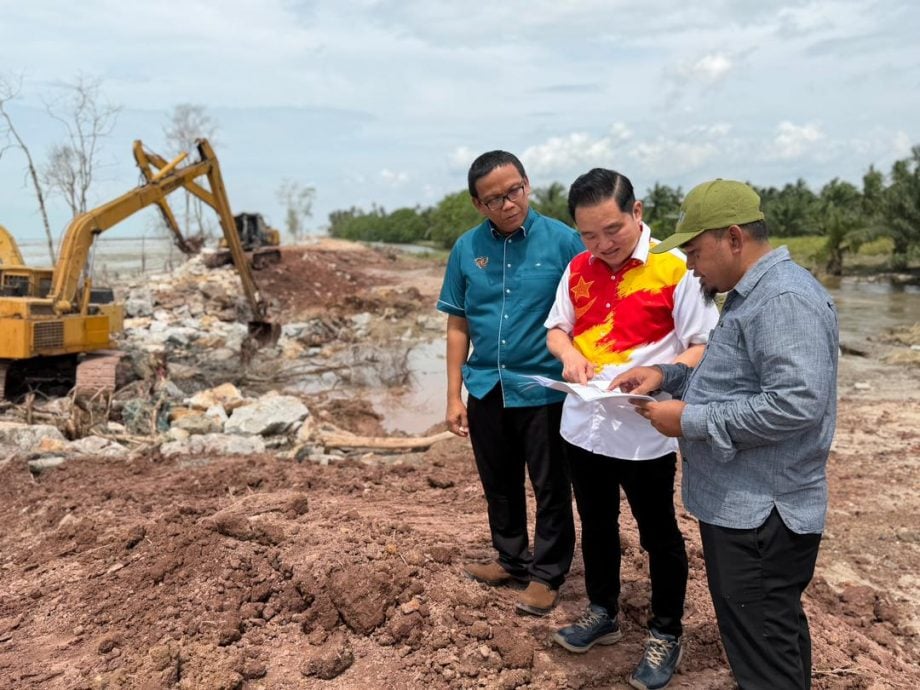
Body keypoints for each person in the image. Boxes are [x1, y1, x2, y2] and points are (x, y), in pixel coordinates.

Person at [611, 179, 839, 690]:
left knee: (764, 654)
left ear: (733, 238)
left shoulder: (783, 300)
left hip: (763, 515)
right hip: (749, 508)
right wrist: (667, 376)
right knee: (771, 639)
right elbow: (732, 378)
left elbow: (797, 403)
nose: (690, 266)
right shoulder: (751, 295)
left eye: (694, 252)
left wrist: (688, 420)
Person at [544, 168, 718, 690]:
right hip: (584, 425)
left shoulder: (675, 267)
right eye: (589, 235)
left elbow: (703, 345)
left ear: (636, 212)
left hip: (646, 430)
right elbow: (557, 329)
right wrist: (570, 356)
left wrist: (661, 374)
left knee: (658, 534)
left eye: (612, 230)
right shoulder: (578, 267)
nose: (602, 245)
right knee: (596, 525)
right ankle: (603, 612)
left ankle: (666, 631)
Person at [436, 150, 584, 616]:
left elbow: (588, 313)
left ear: (527, 184)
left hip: (544, 388)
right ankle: (511, 559)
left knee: (551, 484)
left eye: (514, 191)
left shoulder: (564, 242)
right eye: (494, 199)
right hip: (486, 386)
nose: (507, 204)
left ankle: (547, 574)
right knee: (498, 482)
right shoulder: (466, 249)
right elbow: (457, 324)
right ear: (477, 204)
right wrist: (453, 395)